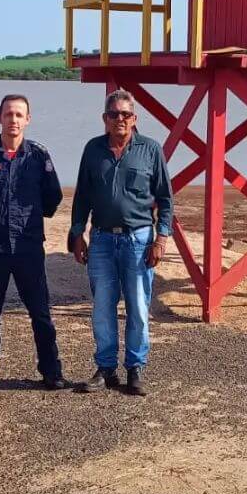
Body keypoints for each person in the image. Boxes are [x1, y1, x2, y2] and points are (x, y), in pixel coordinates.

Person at [0, 94, 67, 393]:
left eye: (19, 115)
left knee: (41, 313)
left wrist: (30, 219)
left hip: (29, 247)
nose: (13, 120)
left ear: (28, 119)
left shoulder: (38, 156)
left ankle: (51, 371)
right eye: (8, 114)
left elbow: (53, 196)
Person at [69, 88, 172, 396]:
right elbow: (83, 196)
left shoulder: (151, 150)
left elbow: (165, 199)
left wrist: (161, 238)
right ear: (105, 118)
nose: (120, 119)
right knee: (102, 306)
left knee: (139, 308)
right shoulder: (93, 149)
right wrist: (77, 233)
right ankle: (105, 369)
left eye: (126, 114)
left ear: (134, 118)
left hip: (139, 240)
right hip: (100, 239)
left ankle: (135, 368)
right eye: (113, 114)